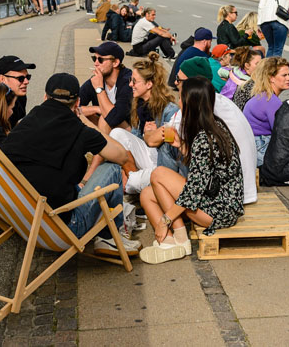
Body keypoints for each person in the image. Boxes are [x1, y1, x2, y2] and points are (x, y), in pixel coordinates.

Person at [0, 73, 142, 257]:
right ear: (77, 103)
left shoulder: (28, 121)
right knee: (112, 168)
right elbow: (121, 156)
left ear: (45, 97)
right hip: (64, 229)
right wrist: (83, 120)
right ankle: (109, 238)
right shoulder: (78, 129)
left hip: (25, 221)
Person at [137, 76, 244, 264]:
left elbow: (194, 191)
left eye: (181, 98)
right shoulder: (215, 126)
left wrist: (165, 220)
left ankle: (179, 238)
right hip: (216, 201)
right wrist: (182, 146)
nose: (178, 102)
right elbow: (206, 168)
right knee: (146, 194)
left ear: (189, 103)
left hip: (218, 210)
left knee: (158, 173)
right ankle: (170, 243)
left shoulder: (205, 137)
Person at [166, 57, 258, 206]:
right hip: (241, 187)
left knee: (166, 152)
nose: (175, 83)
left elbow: (161, 137)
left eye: (179, 80)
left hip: (226, 196)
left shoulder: (200, 110)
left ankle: (169, 206)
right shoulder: (221, 102)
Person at [104, 52, 179, 194]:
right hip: (147, 157)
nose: (130, 84)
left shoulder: (169, 110)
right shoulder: (139, 104)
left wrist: (150, 136)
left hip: (162, 164)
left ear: (149, 84)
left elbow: (168, 147)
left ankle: (133, 183)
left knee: (117, 136)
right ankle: (131, 178)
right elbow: (135, 137)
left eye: (134, 81)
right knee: (116, 134)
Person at [243, 57, 289, 166]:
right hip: (261, 151)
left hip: (253, 148)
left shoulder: (263, 95)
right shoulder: (271, 101)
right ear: (271, 78)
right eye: (284, 75)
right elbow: (282, 133)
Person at [78, 42, 133, 134]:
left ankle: (102, 147)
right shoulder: (97, 80)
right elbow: (72, 106)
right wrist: (97, 109)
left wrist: (99, 88)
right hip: (109, 127)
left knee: (105, 118)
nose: (96, 63)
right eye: (94, 58)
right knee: (83, 116)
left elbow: (114, 118)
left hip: (131, 131)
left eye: (100, 60)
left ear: (115, 63)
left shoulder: (128, 82)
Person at [0, 55, 36, 127]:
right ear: (2, 79)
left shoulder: (20, 96)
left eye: (27, 77)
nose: (26, 82)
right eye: (20, 78)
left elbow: (13, 124)